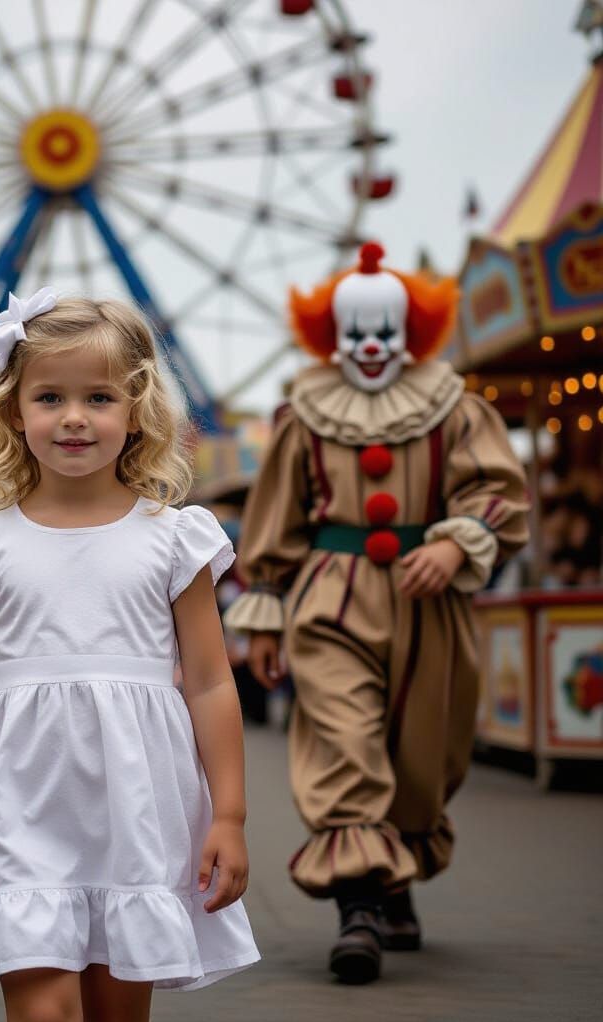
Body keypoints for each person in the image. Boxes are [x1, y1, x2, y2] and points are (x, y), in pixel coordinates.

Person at [0, 290, 260, 1021]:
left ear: (136, 411)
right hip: (17, 803)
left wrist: (230, 814)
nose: (74, 417)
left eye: (99, 396)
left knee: (114, 1014)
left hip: (138, 810)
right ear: (14, 411)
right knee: (45, 1012)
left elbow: (208, 682)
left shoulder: (174, 538)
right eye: (50, 396)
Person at [224, 244, 528, 984]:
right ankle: (356, 908)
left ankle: (392, 880)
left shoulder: (454, 409)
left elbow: (498, 492)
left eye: (385, 333)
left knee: (423, 757)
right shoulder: (306, 414)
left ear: (411, 334)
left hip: (430, 601)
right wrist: (266, 615)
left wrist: (457, 547)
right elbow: (276, 519)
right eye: (355, 331)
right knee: (344, 743)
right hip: (332, 596)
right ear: (330, 333)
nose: (369, 347)